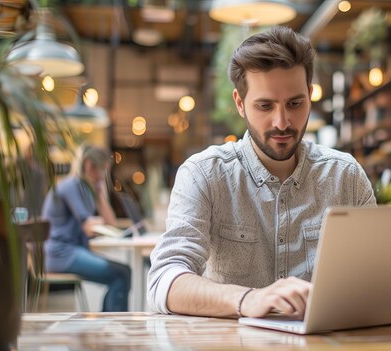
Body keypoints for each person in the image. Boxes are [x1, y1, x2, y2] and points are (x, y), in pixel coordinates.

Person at [148, 26, 375, 319]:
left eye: (295, 103)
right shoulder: (204, 174)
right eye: (265, 106)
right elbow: (164, 281)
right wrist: (248, 299)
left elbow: (374, 275)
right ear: (240, 104)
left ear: (310, 95)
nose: (282, 122)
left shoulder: (346, 177)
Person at [42, 144, 130, 312]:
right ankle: (112, 325)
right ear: (89, 165)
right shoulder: (70, 186)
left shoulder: (86, 189)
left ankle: (109, 323)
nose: (103, 176)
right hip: (61, 254)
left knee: (123, 272)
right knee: (121, 274)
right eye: (102, 170)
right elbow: (89, 226)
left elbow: (112, 223)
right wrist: (97, 222)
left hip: (72, 251)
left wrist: (100, 195)